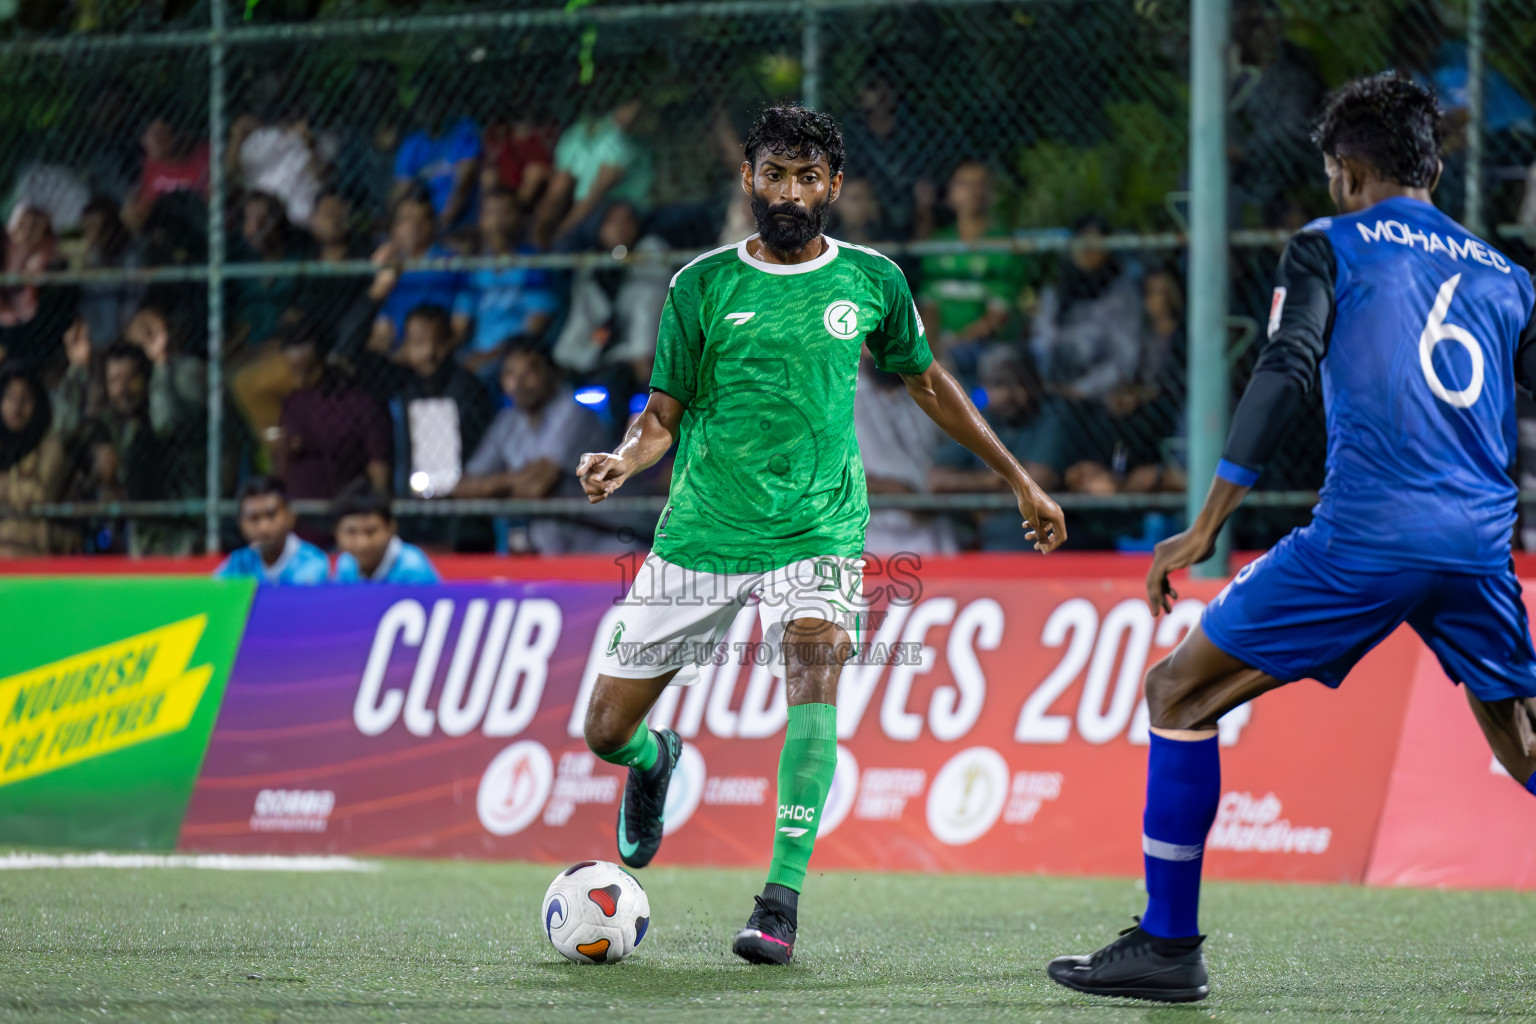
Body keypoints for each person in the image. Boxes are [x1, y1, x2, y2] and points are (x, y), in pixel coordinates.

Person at [1048, 74, 1536, 1002]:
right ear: (1430, 165)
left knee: (1177, 694)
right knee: (1523, 743)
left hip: (1364, 539)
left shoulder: (1329, 244)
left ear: (1347, 173)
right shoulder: (1509, 274)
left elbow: (1285, 367)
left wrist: (1206, 525)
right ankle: (1162, 943)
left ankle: (1168, 944)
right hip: (1479, 546)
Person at [574, 106, 1066, 965]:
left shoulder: (872, 280)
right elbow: (661, 416)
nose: (791, 192)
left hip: (820, 526)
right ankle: (654, 762)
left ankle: (780, 903)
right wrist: (624, 458)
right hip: (704, 530)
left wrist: (1017, 475)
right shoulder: (701, 285)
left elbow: (928, 383)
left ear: (834, 186)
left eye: (809, 178)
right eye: (775, 175)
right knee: (603, 732)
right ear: (749, 181)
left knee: (813, 670)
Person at [453, 340, 615, 553]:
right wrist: (513, 479)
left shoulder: (573, 413)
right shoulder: (508, 420)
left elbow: (536, 487)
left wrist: (494, 486)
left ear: (551, 374)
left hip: (600, 545)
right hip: (546, 549)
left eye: (529, 372)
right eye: (510, 374)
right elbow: (462, 487)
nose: (518, 383)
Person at [930, 346, 1071, 550]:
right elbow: (936, 481)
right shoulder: (980, 419)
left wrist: (977, 490)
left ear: (1033, 385)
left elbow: (1038, 480)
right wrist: (992, 481)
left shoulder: (1049, 418)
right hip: (986, 542)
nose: (1005, 394)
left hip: (1042, 544)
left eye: (1013, 385)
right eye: (996, 385)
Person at [551, 201, 670, 386]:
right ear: (599, 227)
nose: (620, 228)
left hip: (639, 355)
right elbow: (582, 319)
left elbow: (648, 310)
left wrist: (641, 358)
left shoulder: (651, 252)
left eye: (627, 221)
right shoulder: (591, 265)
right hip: (599, 350)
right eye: (612, 222)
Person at [274, 320, 392, 502]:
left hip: (347, 507)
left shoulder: (357, 400)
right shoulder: (293, 403)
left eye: (299, 347)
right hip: (301, 510)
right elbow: (282, 464)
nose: (291, 357)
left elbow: (377, 461)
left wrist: (380, 506)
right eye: (287, 348)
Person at [385, 304, 495, 497]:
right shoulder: (399, 386)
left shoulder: (469, 388)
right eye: (419, 343)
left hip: (461, 499)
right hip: (410, 500)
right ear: (406, 347)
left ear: (451, 342)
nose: (429, 352)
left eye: (438, 342)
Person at [461, 188, 558, 376]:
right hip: (477, 350)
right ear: (480, 220)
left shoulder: (533, 263)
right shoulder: (473, 266)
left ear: (519, 219)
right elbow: (461, 320)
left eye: (504, 212)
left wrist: (495, 354)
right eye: (490, 213)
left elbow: (537, 323)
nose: (496, 220)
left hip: (518, 353)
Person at [367, 189, 471, 352]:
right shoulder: (388, 270)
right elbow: (382, 331)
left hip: (440, 353)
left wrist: (434, 353)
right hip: (398, 357)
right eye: (405, 220)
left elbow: (461, 325)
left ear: (432, 226)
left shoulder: (452, 263)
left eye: (420, 220)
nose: (413, 227)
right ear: (393, 229)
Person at [0, 367, 67, 556]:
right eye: (10, 398)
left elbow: (41, 494)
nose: (16, 407)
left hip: (36, 556)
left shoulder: (52, 446)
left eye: (25, 399)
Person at [214, 475, 329, 584]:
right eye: (254, 518)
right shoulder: (238, 563)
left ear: (291, 517)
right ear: (240, 524)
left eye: (271, 515)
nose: (264, 527)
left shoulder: (312, 562)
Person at [331, 483, 440, 584]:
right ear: (336, 532)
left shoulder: (414, 568)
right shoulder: (346, 564)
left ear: (391, 528)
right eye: (351, 532)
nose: (362, 543)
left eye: (371, 531)